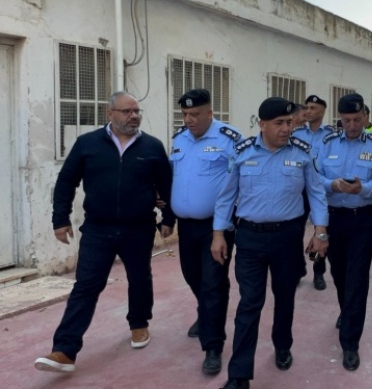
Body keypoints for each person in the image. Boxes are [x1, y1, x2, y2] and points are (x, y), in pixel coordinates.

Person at [35, 92, 175, 373]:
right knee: (86, 285)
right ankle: (65, 349)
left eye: (137, 111)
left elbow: (167, 185)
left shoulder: (152, 146)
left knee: (139, 278)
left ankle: (139, 324)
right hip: (98, 229)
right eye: (126, 111)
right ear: (109, 114)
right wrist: (59, 219)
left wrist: (167, 218)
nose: (133, 116)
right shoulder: (88, 144)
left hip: (138, 228)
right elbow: (66, 182)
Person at [215, 97, 329, 389]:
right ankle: (239, 375)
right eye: (279, 123)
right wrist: (218, 234)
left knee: (285, 296)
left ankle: (282, 344)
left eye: (289, 122)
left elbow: (316, 194)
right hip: (250, 237)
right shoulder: (241, 153)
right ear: (262, 124)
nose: (286, 128)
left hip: (288, 238)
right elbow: (226, 196)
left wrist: (320, 232)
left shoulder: (303, 153)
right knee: (250, 303)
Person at [169, 89, 241, 375]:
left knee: (213, 282)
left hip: (218, 225)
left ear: (210, 113)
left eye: (195, 114)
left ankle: (213, 346)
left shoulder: (230, 138)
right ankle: (207, 313)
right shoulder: (178, 139)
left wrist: (221, 229)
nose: (189, 120)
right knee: (192, 275)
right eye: (185, 114)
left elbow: (238, 184)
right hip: (186, 226)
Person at [316, 93, 372, 371]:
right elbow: (316, 178)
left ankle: (350, 342)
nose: (352, 125)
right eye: (347, 120)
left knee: (357, 278)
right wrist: (332, 185)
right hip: (334, 218)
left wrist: (363, 188)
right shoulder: (328, 143)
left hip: (363, 218)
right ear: (340, 119)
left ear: (365, 117)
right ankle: (347, 312)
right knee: (340, 274)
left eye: (357, 119)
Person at [291, 94, 335, 290]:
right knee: (295, 232)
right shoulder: (298, 133)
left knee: (321, 231)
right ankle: (298, 269)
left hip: (321, 191)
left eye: (313, 108)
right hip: (299, 191)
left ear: (323, 111)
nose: (308, 111)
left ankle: (319, 273)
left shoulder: (332, 135)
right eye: (306, 108)